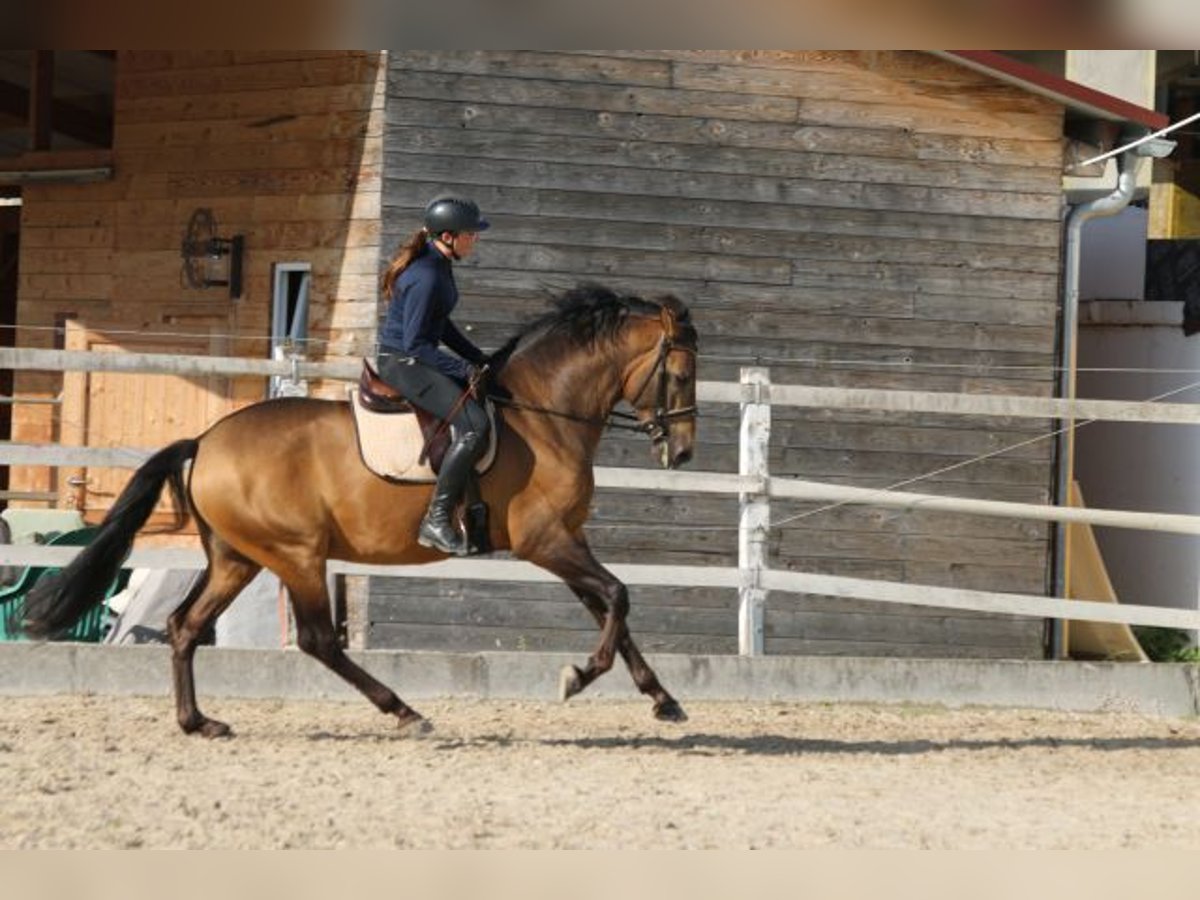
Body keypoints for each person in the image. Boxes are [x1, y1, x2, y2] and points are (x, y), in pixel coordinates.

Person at [377, 195, 492, 555]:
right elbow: (415, 344)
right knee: (475, 426)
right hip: (403, 363)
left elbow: (440, 326)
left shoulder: (439, 266)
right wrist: (461, 368)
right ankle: (437, 519)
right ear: (448, 237)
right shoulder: (427, 276)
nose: (475, 239)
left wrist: (478, 357)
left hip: (417, 356)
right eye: (470, 234)